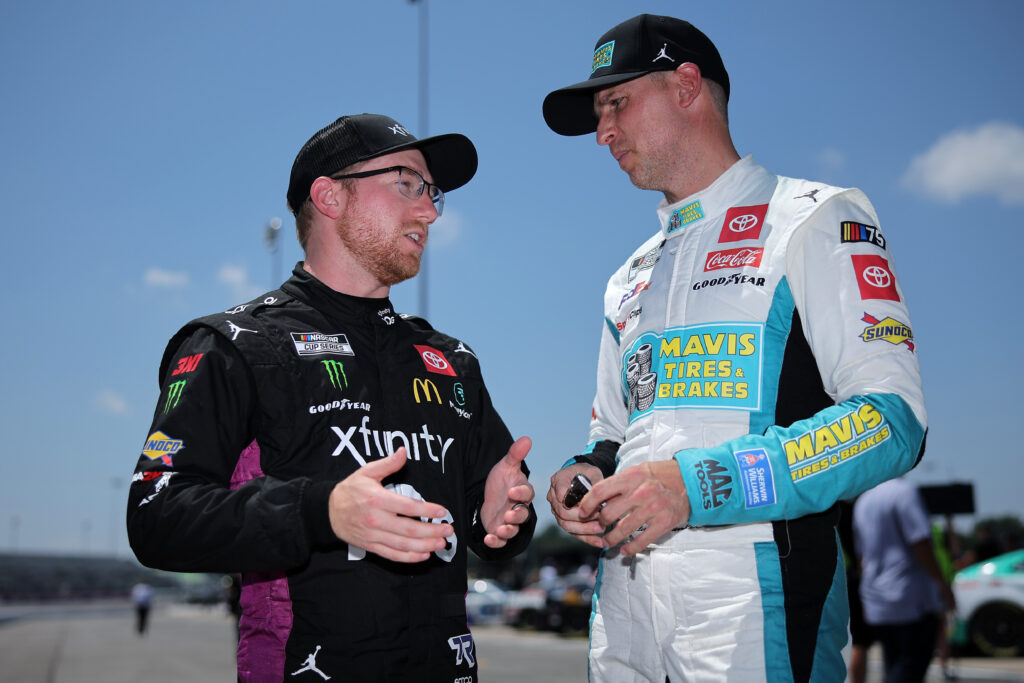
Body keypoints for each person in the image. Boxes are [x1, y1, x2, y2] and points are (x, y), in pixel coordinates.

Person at [541, 14, 926, 682]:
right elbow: (611, 435)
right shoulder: (627, 275)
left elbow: (892, 421)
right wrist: (584, 475)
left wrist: (696, 485)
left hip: (755, 607)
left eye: (616, 104)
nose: (603, 133)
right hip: (625, 613)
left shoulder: (815, 216)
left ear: (687, 86)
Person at [126, 113, 536, 682]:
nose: (429, 210)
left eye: (432, 193)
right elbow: (157, 518)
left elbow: (491, 526)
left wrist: (500, 518)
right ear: (329, 197)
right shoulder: (234, 346)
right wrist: (322, 512)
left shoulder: (451, 361)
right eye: (407, 184)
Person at [854, 478, 955, 682]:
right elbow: (920, 542)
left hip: (877, 598)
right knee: (909, 668)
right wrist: (943, 586)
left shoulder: (864, 500)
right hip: (909, 597)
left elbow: (861, 557)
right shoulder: (904, 493)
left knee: (893, 663)